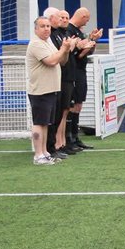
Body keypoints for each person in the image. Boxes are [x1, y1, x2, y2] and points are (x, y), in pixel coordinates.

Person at [26, 15, 77, 165]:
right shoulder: (36, 44)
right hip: (40, 90)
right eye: (42, 26)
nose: (46, 29)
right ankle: (38, 155)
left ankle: (44, 152)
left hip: (51, 89)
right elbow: (52, 61)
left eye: (48, 26)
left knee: (46, 123)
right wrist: (64, 49)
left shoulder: (47, 42)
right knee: (39, 122)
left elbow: (62, 60)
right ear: (35, 29)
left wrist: (66, 50)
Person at [66, 7, 100, 146]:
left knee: (78, 103)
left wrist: (91, 40)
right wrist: (88, 43)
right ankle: (70, 138)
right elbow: (77, 54)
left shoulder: (78, 31)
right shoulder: (70, 31)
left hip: (80, 70)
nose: (87, 23)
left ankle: (75, 137)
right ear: (82, 16)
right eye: (87, 19)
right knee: (73, 105)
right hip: (73, 72)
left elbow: (85, 53)